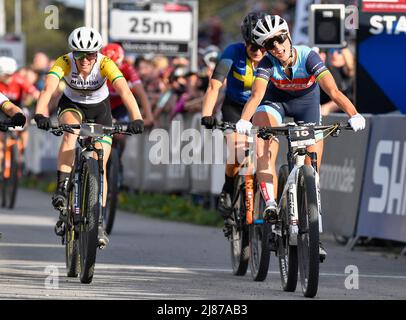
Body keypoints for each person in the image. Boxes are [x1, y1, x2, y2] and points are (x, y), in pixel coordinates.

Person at [235, 15, 366, 260]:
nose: (277, 47)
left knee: (312, 172)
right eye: (269, 44)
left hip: (306, 106)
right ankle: (271, 202)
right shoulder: (266, 63)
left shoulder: (308, 56)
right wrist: (244, 120)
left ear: (288, 36)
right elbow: (256, 96)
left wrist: (353, 114)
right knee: (263, 139)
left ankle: (314, 234)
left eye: (279, 39)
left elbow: (333, 91)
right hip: (275, 104)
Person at [33, 27, 144, 248]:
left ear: (97, 53)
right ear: (72, 53)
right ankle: (62, 188)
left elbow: (124, 91)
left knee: (100, 163)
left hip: (100, 109)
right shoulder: (63, 61)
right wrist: (40, 113)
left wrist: (137, 118)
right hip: (72, 105)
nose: (84, 60)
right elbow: (48, 89)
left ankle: (98, 221)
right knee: (70, 133)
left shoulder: (105, 63)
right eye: (79, 54)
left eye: (90, 54)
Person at [200, 12, 268, 234]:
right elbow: (214, 86)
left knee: (263, 154)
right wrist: (207, 114)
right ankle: (229, 189)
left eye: (261, 46)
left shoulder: (273, 54)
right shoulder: (232, 52)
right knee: (238, 153)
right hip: (235, 108)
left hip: (263, 108)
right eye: (251, 46)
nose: (257, 51)